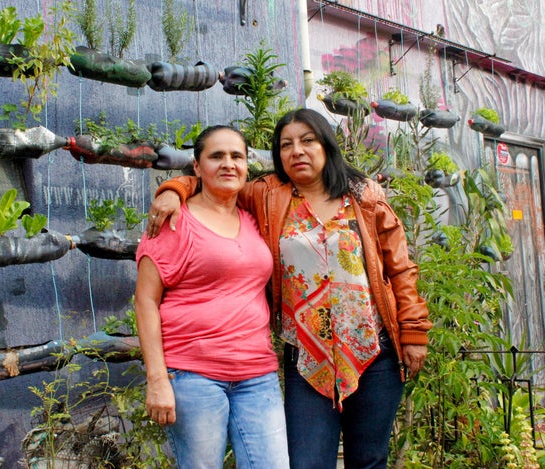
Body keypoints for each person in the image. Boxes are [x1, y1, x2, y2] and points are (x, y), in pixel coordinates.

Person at [146, 108, 431, 469]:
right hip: (306, 354)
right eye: (286, 144)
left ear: (326, 145)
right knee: (306, 461)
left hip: (372, 350)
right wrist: (175, 188)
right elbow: (218, 181)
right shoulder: (268, 195)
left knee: (369, 459)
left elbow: (400, 267)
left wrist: (414, 330)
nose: (297, 151)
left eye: (308, 140)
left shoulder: (363, 195)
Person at [135, 125, 289, 469]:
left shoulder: (254, 218)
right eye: (216, 156)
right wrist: (157, 380)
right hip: (193, 376)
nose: (228, 164)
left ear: (248, 165)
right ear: (196, 166)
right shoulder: (174, 222)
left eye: (237, 156)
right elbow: (145, 301)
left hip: (257, 374)